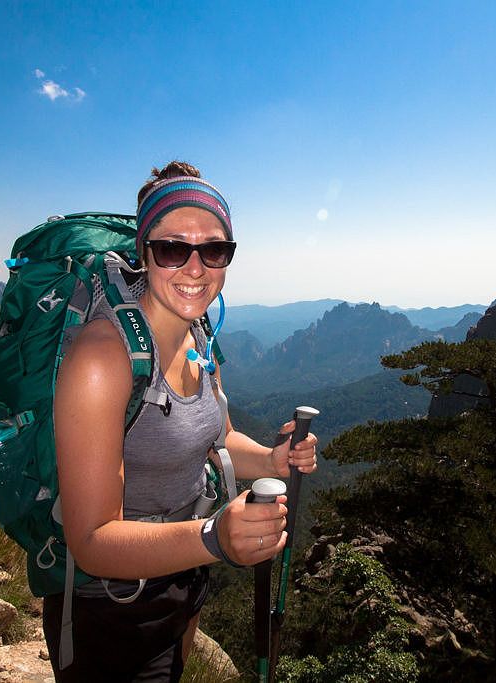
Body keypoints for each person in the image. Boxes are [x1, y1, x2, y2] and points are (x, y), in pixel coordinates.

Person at [44, 161, 318, 682]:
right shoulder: (104, 358)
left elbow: (221, 438)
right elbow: (92, 540)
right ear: (145, 252)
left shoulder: (198, 337)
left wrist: (273, 459)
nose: (195, 267)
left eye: (214, 249)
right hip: (112, 608)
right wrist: (215, 537)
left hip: (182, 581)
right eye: (173, 248)